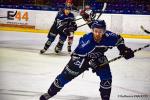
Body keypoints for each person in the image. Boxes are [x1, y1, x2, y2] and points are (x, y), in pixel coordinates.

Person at [39, 20, 134, 100]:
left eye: (100, 31)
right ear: (92, 30)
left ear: (104, 31)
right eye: (96, 31)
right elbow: (77, 55)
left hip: (98, 56)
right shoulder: (87, 42)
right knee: (65, 76)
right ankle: (50, 93)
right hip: (80, 58)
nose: (97, 34)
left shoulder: (110, 37)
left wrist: (123, 49)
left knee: (107, 78)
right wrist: (90, 62)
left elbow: (119, 40)